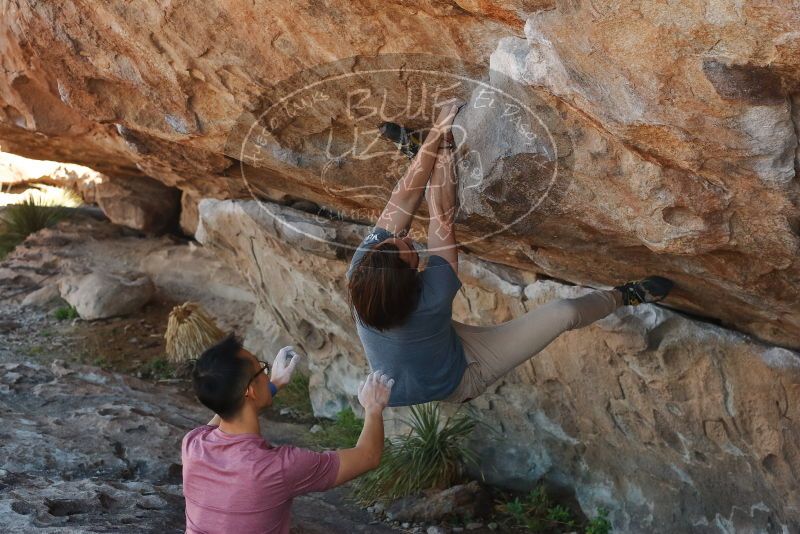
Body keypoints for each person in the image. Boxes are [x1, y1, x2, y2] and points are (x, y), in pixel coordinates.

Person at [347, 101, 673, 407]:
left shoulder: (365, 264)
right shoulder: (432, 297)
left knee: (416, 194)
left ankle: (420, 157)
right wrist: (443, 140)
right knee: (564, 313)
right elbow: (442, 217)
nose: (404, 238)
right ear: (413, 280)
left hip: (428, 340)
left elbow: (403, 197)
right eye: (410, 248)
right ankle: (625, 296)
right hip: (460, 377)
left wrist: (437, 131)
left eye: (394, 240)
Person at [181, 333, 394, 534]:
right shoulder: (278, 468)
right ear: (251, 391)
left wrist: (273, 384)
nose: (267, 373)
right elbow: (368, 456)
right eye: (262, 369)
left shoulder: (193, 445)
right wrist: (373, 407)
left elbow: (227, 406)